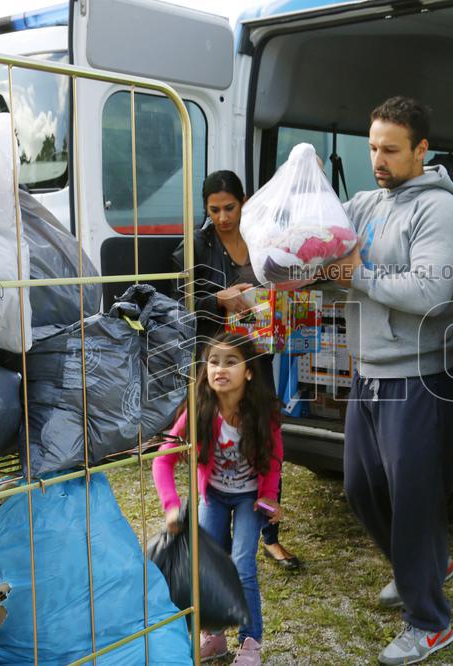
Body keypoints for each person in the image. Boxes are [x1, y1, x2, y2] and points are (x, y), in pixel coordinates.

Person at [329, 96, 453, 665]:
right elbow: (325, 254)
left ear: (421, 149)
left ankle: (430, 621)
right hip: (367, 372)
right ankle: (425, 566)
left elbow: (430, 295)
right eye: (372, 148)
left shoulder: (439, 211)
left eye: (390, 149)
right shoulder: (365, 202)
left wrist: (358, 275)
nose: (378, 159)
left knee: (412, 501)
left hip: (418, 377)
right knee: (360, 488)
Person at [172, 170, 301, 570]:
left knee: (264, 433)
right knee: (208, 436)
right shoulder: (195, 244)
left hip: (258, 354)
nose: (223, 217)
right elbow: (177, 300)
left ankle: (269, 534)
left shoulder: (262, 235)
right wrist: (218, 301)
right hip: (218, 357)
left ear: (244, 202)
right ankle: (205, 535)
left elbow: (283, 281)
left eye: (230, 207)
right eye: (214, 210)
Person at [152, 332, 285, 665]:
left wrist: (268, 497)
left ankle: (250, 642)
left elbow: (273, 460)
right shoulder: (199, 410)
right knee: (207, 566)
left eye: (231, 361)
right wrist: (171, 506)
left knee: (242, 565)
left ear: (249, 372)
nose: (220, 368)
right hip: (212, 496)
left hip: (248, 499)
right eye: (213, 361)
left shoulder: (262, 413)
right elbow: (162, 459)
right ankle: (213, 635)